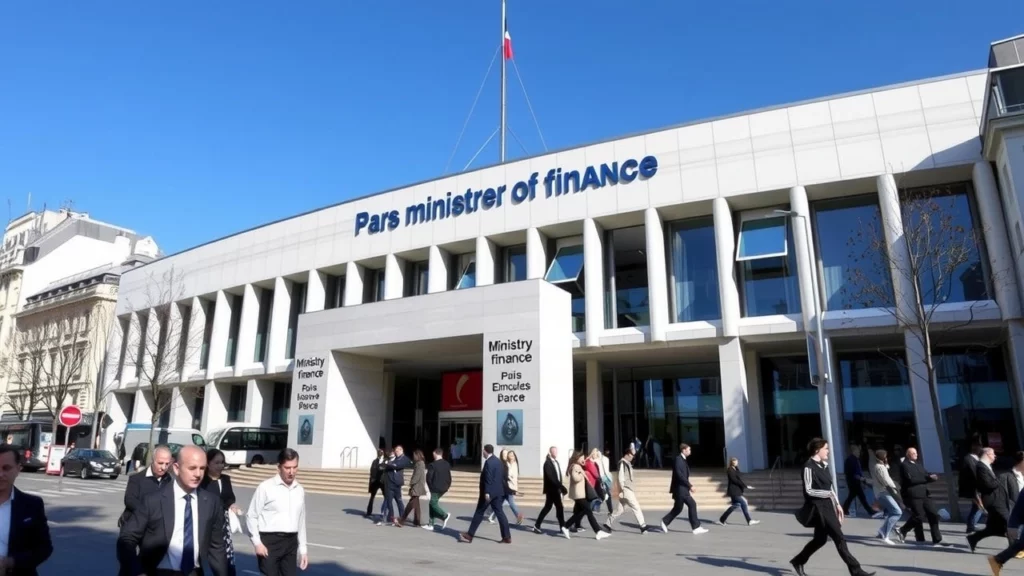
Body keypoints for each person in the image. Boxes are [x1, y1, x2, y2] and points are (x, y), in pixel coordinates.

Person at [117, 445, 229, 576]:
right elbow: (127, 538)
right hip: (159, 572)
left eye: (202, 468)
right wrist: (136, 571)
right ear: (176, 468)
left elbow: (217, 548)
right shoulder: (153, 500)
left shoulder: (212, 502)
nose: (198, 474)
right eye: (192, 468)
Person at [790, 438, 873, 576]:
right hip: (818, 508)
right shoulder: (808, 467)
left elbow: (830, 487)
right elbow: (809, 490)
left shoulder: (824, 465)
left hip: (828, 506)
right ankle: (856, 571)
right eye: (826, 448)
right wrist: (828, 494)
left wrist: (837, 504)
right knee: (839, 538)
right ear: (817, 450)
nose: (828, 451)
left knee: (820, 540)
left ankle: (798, 561)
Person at [245, 448, 309, 576]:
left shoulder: (299, 490)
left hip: (291, 543)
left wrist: (303, 550)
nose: (291, 472)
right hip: (270, 542)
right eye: (287, 468)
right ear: (279, 467)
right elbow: (251, 516)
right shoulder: (265, 487)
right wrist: (257, 543)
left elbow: (301, 521)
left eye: (295, 467)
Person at [0, 444, 52, 575]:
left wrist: (11, 562)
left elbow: (44, 548)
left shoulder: (32, 505)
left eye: (6, 468)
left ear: (18, 469)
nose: (0, 474)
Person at [459, 444, 511, 544]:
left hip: (488, 493)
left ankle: (469, 535)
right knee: (500, 513)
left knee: (479, 512)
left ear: (485, 451)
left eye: (483, 451)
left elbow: (488, 478)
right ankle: (507, 537)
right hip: (498, 492)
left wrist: (487, 492)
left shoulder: (489, 462)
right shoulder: (498, 461)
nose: (482, 453)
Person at [201, 449, 241, 576]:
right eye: (217, 462)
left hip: (223, 523)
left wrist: (232, 505)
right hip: (205, 522)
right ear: (208, 463)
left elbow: (229, 498)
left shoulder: (225, 479)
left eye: (222, 462)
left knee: (224, 554)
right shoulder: (202, 481)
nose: (220, 466)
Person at [896, 447, 945, 546]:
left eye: (916, 453)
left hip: (925, 494)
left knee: (933, 515)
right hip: (914, 494)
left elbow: (926, 475)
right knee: (919, 516)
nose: (916, 455)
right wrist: (927, 479)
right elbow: (911, 480)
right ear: (908, 454)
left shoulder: (918, 464)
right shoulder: (904, 465)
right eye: (913, 453)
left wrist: (932, 477)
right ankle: (903, 530)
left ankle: (937, 540)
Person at [120, 444, 173, 527]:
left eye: (167, 464)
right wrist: (149, 513)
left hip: (157, 527)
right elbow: (130, 501)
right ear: (153, 460)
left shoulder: (170, 480)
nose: (163, 467)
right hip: (135, 525)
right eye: (160, 463)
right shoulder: (136, 479)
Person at [988, 452, 1024, 574]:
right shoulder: (1007, 476)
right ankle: (998, 560)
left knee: (1020, 544)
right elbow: (1019, 505)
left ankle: (998, 560)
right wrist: (1013, 524)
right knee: (1020, 544)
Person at [660, 443, 707, 535]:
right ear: (684, 450)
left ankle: (665, 521)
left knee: (678, 508)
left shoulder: (683, 460)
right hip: (680, 489)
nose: (690, 451)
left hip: (682, 488)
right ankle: (696, 527)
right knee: (692, 504)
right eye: (689, 450)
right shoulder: (678, 459)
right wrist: (690, 485)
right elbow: (679, 475)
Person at [970, 447, 1010, 552]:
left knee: (993, 528)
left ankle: (973, 538)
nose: (995, 456)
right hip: (992, 500)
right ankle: (1015, 548)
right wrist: (999, 479)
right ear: (987, 454)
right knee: (1009, 521)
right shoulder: (980, 467)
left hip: (996, 499)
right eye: (993, 454)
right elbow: (988, 485)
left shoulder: (986, 466)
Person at [564, 451, 611, 540]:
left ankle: (566, 526)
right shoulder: (576, 466)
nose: (583, 459)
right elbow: (575, 478)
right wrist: (583, 474)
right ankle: (598, 531)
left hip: (580, 493)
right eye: (582, 457)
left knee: (580, 512)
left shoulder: (576, 466)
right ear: (577, 458)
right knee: (588, 511)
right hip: (579, 494)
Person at [604, 446, 650, 534]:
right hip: (626, 489)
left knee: (620, 510)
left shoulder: (627, 463)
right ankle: (643, 526)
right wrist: (622, 490)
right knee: (636, 507)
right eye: (632, 455)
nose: (633, 457)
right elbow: (621, 478)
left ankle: (607, 524)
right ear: (628, 454)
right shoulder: (623, 463)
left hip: (626, 489)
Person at [533, 446, 570, 538]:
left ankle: (537, 525)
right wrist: (561, 487)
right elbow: (551, 478)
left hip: (556, 488)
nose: (556, 453)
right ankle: (562, 526)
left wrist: (560, 486)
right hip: (552, 489)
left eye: (556, 451)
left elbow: (558, 476)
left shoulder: (556, 462)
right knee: (559, 507)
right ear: (550, 452)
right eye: (554, 451)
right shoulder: (547, 463)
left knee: (549, 507)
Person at [869, 449, 903, 545]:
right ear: (883, 457)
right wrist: (895, 488)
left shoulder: (879, 466)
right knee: (897, 512)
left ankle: (883, 531)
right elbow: (886, 480)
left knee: (893, 512)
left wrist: (886, 464)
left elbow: (886, 470)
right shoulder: (880, 467)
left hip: (881, 492)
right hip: (883, 492)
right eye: (885, 456)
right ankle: (885, 534)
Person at [717, 457, 759, 526]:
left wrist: (745, 485)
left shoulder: (736, 469)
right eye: (735, 462)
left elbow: (739, 478)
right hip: (734, 491)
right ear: (731, 462)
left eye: (736, 462)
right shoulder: (730, 470)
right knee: (744, 502)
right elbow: (735, 480)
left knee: (735, 505)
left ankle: (722, 520)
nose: (736, 463)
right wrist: (745, 486)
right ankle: (749, 520)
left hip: (737, 490)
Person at [488, 450, 524, 525]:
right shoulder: (502, 463)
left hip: (508, 486)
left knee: (501, 503)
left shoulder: (510, 464)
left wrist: (514, 488)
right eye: (504, 454)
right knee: (510, 502)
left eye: (506, 454)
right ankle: (518, 515)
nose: (506, 455)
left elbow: (514, 477)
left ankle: (491, 516)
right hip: (505, 487)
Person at [842, 445, 878, 518]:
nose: (859, 453)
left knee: (853, 497)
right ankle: (870, 511)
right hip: (853, 481)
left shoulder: (855, 459)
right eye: (858, 451)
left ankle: (844, 510)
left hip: (856, 481)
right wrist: (859, 478)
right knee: (861, 497)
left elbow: (858, 470)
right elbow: (851, 472)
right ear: (854, 451)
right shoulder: (850, 460)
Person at [379, 445, 410, 526]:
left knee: (399, 500)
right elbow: (382, 466)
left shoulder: (404, 458)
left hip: (396, 483)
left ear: (401, 450)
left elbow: (397, 465)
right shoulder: (395, 458)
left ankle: (402, 517)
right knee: (389, 501)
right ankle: (392, 518)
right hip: (389, 483)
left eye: (397, 451)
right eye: (395, 451)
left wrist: (389, 464)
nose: (396, 453)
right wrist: (388, 463)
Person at [398, 449, 427, 527]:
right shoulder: (419, 463)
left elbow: (417, 475)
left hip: (417, 486)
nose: (413, 457)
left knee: (410, 504)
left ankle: (402, 520)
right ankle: (417, 521)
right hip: (417, 486)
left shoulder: (420, 464)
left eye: (414, 455)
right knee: (416, 505)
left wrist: (411, 482)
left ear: (417, 455)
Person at [426, 447, 452, 530]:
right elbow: (449, 477)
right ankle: (431, 524)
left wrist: (430, 488)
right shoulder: (447, 464)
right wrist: (448, 486)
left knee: (432, 503)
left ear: (435, 454)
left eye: (433, 454)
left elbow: (429, 478)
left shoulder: (432, 465)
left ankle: (444, 515)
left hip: (435, 488)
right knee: (432, 503)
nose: (433, 456)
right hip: (444, 487)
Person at [961, 440, 984, 534]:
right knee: (979, 506)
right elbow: (973, 473)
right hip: (974, 487)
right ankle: (971, 525)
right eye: (979, 447)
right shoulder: (968, 459)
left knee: (977, 506)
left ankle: (972, 524)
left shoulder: (977, 458)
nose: (981, 449)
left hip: (979, 486)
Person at [365, 449, 385, 518]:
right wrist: (372, 479)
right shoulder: (375, 461)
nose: (380, 454)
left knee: (386, 497)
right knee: (372, 497)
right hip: (376, 481)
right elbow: (372, 471)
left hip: (382, 481)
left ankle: (385, 512)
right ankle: (369, 511)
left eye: (381, 453)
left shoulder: (385, 461)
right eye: (379, 453)